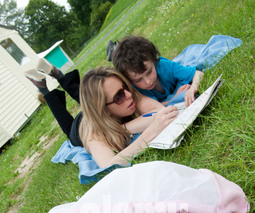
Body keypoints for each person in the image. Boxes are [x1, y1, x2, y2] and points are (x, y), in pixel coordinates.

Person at [25, 59, 178, 169]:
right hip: (80, 126)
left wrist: (123, 128)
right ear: (103, 109)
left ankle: (59, 76)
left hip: (102, 110)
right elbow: (108, 165)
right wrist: (149, 133)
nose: (128, 94)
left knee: (91, 92)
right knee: (67, 124)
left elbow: (159, 112)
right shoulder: (91, 133)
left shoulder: (126, 94)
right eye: (119, 96)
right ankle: (43, 88)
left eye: (125, 86)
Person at [111, 35, 204, 107]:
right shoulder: (135, 89)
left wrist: (193, 89)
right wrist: (175, 98)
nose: (148, 81)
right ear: (130, 80)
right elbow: (152, 108)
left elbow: (198, 74)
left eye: (149, 72)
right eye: (138, 80)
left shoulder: (164, 66)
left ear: (153, 60)